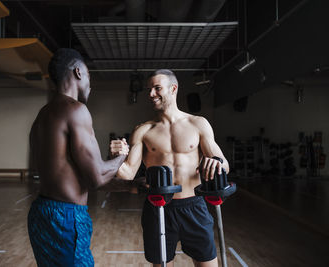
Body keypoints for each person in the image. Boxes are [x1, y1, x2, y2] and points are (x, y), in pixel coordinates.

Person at [110, 69, 230, 267]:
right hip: (158, 207)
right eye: (149, 90)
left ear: (173, 89)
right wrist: (118, 157)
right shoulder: (143, 130)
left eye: (157, 88)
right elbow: (127, 173)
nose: (151, 94)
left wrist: (217, 163)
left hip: (194, 206)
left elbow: (224, 164)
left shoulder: (198, 124)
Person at [27, 48, 129, 267]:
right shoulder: (76, 110)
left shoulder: (42, 115)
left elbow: (77, 176)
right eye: (89, 76)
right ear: (78, 72)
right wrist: (121, 157)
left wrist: (130, 184)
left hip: (41, 212)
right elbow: (96, 179)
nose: (91, 84)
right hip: (66, 217)